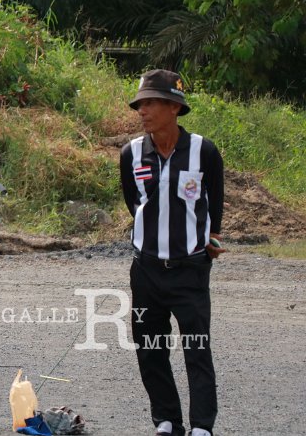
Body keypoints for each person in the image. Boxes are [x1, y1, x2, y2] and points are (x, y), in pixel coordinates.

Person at [119, 69, 226, 436]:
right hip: (146, 269)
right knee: (150, 347)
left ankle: (201, 427)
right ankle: (166, 419)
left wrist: (210, 238)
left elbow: (215, 201)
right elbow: (136, 204)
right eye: (140, 104)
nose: (142, 111)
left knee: (196, 348)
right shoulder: (130, 154)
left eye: (150, 103)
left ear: (173, 108)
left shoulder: (204, 152)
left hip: (190, 270)